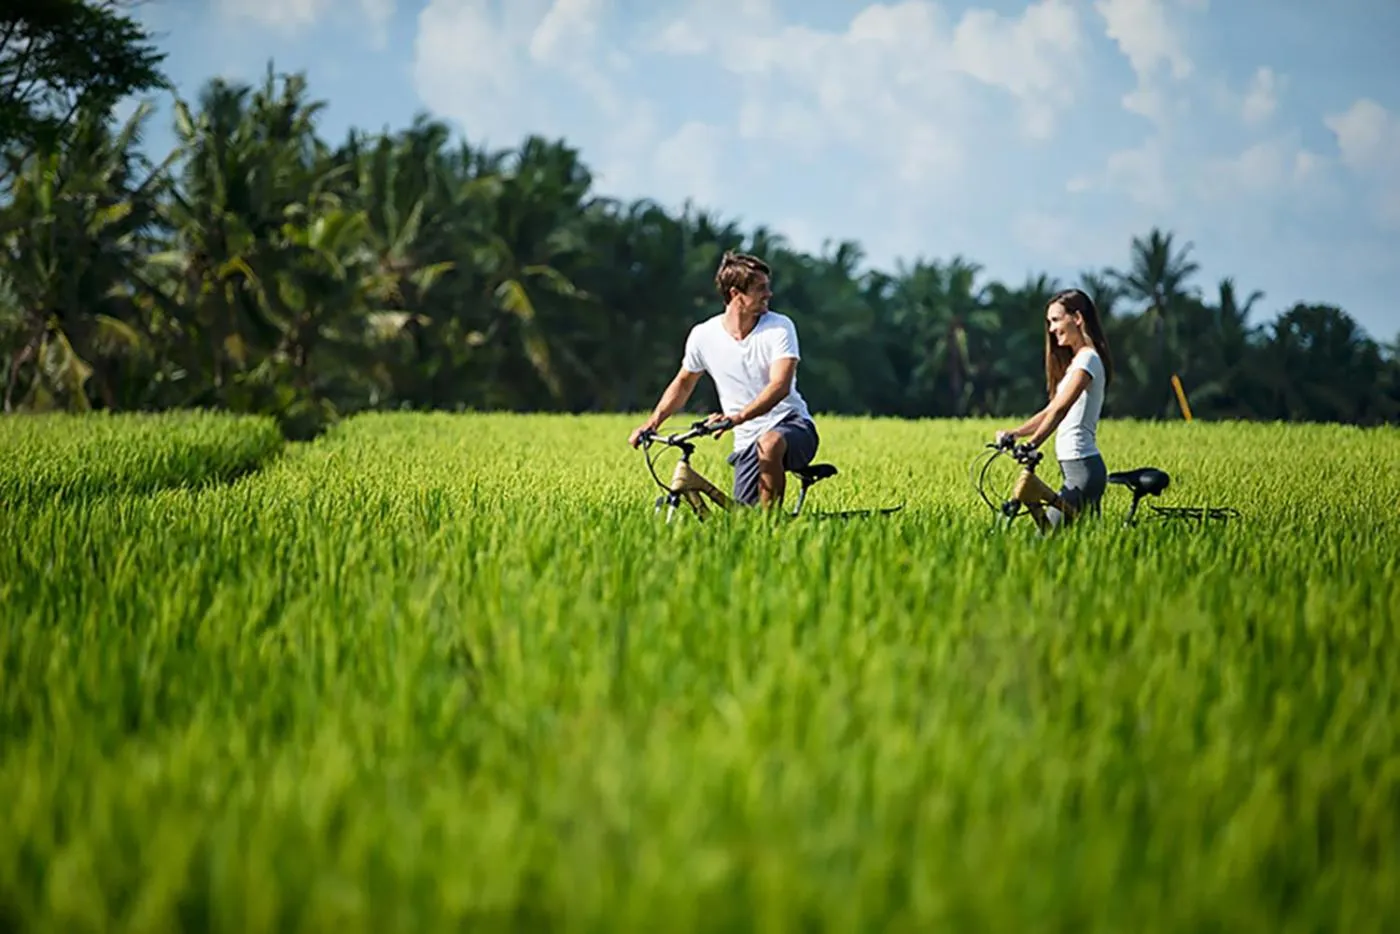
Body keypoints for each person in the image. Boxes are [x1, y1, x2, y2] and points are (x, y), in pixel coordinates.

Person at [628, 250, 820, 512]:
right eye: (760, 289)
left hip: (792, 425)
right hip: (746, 442)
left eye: (768, 287)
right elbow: (684, 383)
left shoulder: (779, 327)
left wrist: (736, 418)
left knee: (770, 443)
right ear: (735, 294)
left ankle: (771, 528)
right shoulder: (703, 335)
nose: (769, 294)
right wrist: (651, 424)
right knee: (740, 520)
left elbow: (779, 386)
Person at [995, 288, 1114, 524]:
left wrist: (1032, 444)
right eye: (1050, 322)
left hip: (1083, 467)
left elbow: (1061, 410)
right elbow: (1050, 410)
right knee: (1069, 541)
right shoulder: (1077, 363)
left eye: (1056, 320)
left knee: (1047, 539)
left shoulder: (1088, 359)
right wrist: (1015, 434)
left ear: (1077, 318)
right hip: (1076, 468)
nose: (1051, 329)